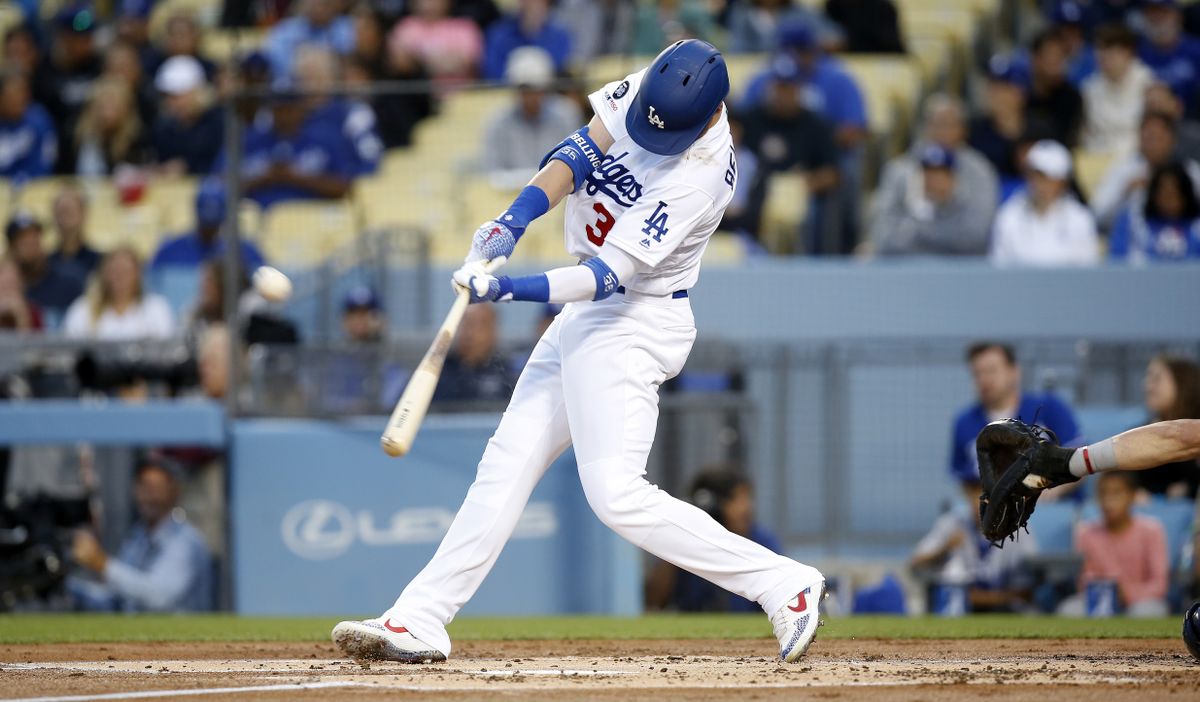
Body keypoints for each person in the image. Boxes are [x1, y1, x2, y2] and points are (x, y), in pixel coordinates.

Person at [332, 40, 825, 665]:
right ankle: (421, 617)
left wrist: (504, 288)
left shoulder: (701, 175)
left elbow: (605, 277)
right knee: (506, 462)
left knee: (615, 494)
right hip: (589, 318)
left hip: (633, 320)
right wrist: (513, 220)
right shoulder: (655, 85)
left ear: (710, 112)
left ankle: (785, 585)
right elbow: (578, 150)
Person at [68, 457, 213, 612]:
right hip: (138, 632)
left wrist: (102, 564)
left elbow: (159, 597)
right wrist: (69, 588)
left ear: (173, 492)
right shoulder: (138, 536)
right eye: (142, 487)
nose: (147, 496)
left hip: (182, 633)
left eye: (155, 488)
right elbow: (119, 600)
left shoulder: (185, 541)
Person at [645, 467, 784, 612]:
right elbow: (654, 601)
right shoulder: (685, 541)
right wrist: (676, 540)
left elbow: (780, 598)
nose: (747, 508)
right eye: (738, 499)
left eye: (748, 498)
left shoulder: (761, 540)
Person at [736, 57, 839, 252]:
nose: (783, 94)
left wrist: (805, 184)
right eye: (779, 87)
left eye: (789, 87)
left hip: (797, 188)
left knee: (806, 210)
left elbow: (832, 173)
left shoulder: (815, 124)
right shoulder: (752, 118)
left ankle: (809, 260)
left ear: (799, 89)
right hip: (754, 188)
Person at [950, 341, 1083, 489]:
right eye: (977, 374)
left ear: (1014, 371)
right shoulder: (964, 423)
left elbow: (1079, 459)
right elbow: (965, 479)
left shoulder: (1049, 408)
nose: (984, 379)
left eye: (991, 371)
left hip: (1056, 505)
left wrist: (1045, 495)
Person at [878, 94, 1000, 250]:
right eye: (936, 124)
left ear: (963, 130)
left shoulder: (980, 171)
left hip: (962, 268)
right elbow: (883, 235)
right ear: (924, 127)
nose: (942, 132)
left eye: (949, 125)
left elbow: (977, 236)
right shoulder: (899, 170)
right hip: (909, 267)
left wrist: (915, 231)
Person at [910, 477, 1038, 613]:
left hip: (1007, 610)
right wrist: (944, 549)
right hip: (960, 609)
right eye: (977, 500)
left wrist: (982, 598)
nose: (982, 508)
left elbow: (1026, 591)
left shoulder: (1019, 531)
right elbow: (916, 563)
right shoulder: (952, 525)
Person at [1057, 472, 1169, 618]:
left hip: (1140, 602)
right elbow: (1083, 580)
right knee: (1069, 611)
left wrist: (1127, 593)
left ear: (1132, 496)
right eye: (1103, 493)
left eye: (1116, 493)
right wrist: (1107, 592)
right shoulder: (1085, 533)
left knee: (1148, 612)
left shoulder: (1152, 530)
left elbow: (1159, 584)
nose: (1108, 500)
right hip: (1099, 601)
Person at [227, 81, 356, 209]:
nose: (284, 116)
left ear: (301, 109)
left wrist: (295, 177)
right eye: (278, 110)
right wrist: (266, 177)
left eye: (289, 109)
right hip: (260, 219)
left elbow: (344, 188)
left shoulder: (325, 138)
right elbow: (223, 185)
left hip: (312, 218)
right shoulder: (250, 140)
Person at [990, 139, 1100, 266]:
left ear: (1062, 183)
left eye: (1049, 178)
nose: (1041, 184)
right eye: (1037, 176)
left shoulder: (1080, 219)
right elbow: (998, 269)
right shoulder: (1008, 216)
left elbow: (1088, 272)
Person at [869, 144, 992, 256]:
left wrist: (916, 233)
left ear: (952, 178)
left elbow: (973, 242)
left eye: (941, 174)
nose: (934, 181)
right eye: (929, 174)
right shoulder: (910, 203)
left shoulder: (964, 203)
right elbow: (885, 241)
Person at [481, 47, 582, 183]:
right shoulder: (497, 123)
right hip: (510, 198)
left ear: (545, 88)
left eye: (535, 89)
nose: (530, 96)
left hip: (559, 193)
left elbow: (577, 165)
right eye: (524, 90)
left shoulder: (566, 115)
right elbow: (492, 173)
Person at [1091, 111, 1200, 229]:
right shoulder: (1123, 170)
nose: (1152, 144)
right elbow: (1097, 216)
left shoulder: (1190, 171)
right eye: (1147, 138)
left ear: (1172, 139)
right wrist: (1125, 192)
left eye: (1157, 138)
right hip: (1133, 239)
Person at [294, 44, 383, 177]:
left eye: (317, 76)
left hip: (341, 191)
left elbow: (370, 162)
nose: (311, 84)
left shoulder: (355, 114)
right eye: (305, 77)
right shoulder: (286, 117)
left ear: (332, 78)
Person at [151, 179, 266, 272]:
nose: (210, 231)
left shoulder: (244, 251)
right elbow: (153, 282)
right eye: (206, 225)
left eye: (214, 225)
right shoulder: (171, 251)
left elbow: (260, 280)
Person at [62, 247, 175, 341]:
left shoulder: (156, 308)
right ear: (104, 274)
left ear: (138, 275)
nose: (120, 278)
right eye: (114, 271)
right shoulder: (82, 310)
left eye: (126, 271)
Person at [41, 5, 104, 174]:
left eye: (89, 37)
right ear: (64, 37)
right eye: (80, 38)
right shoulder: (45, 68)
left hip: (91, 144)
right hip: (55, 145)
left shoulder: (99, 65)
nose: (87, 42)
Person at [1081, 24, 1155, 155]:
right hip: (1097, 159)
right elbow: (1086, 133)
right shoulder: (1089, 88)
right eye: (1100, 49)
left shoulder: (1148, 83)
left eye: (1111, 50)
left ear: (1128, 53)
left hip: (1136, 158)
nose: (1104, 56)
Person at [1135, 355, 1200, 498]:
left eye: (1156, 379)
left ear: (1182, 382)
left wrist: (1189, 489)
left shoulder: (1197, 431)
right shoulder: (1139, 434)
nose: (1147, 385)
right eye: (1148, 377)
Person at [1110, 161, 1200, 261]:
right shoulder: (1132, 222)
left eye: (1174, 194)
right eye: (1164, 194)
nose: (1169, 200)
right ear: (1154, 195)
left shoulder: (1196, 227)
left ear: (1186, 195)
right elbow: (1116, 263)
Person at [970, 56, 1032, 199]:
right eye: (991, 85)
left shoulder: (1040, 131)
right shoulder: (975, 132)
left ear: (1021, 92)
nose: (993, 93)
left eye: (1002, 87)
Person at [151, 56, 224, 175]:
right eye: (167, 97)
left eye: (177, 97)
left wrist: (188, 168)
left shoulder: (219, 123)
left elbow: (223, 167)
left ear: (197, 93)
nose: (171, 103)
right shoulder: (164, 128)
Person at [5, 211, 82, 324]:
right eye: (22, 240)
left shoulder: (66, 283)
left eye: (34, 237)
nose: (30, 243)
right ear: (12, 247)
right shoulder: (6, 286)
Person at [69, 78, 154, 177]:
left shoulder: (138, 138)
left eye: (113, 106)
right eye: (102, 106)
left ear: (125, 108)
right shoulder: (78, 136)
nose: (107, 114)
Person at [432, 304, 515, 404]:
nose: (470, 333)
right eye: (465, 324)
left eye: (479, 325)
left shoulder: (507, 374)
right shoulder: (437, 372)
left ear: (494, 332)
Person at [388, 0, 484, 87]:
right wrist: (438, 60)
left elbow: (464, 65)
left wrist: (416, 59)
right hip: (414, 98)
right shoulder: (405, 26)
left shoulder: (465, 28)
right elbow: (399, 64)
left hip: (460, 97)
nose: (428, 3)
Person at [483, 0, 573, 81]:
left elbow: (561, 74)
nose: (532, 3)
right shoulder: (499, 34)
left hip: (548, 95)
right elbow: (492, 74)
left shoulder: (561, 36)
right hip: (506, 94)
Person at [264, 0, 356, 78]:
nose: (319, 5)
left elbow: (350, 65)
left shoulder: (344, 27)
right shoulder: (285, 30)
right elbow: (277, 65)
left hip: (335, 91)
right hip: (293, 92)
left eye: (326, 3)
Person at [1026, 29, 1084, 148]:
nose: (1056, 63)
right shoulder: (1021, 96)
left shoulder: (1072, 98)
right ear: (1035, 59)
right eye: (1051, 55)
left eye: (1061, 56)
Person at [1138, 0, 1200, 106]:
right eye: (1152, 13)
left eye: (1163, 13)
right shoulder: (1136, 52)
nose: (1157, 18)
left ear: (1177, 16)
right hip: (1149, 117)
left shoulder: (1195, 49)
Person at [0, 68, 57, 183]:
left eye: (22, 93)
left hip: (34, 188)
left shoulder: (40, 120)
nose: (19, 99)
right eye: (12, 95)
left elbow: (46, 161)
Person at [47, 184, 102, 288]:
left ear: (84, 214)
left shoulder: (100, 262)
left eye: (70, 212)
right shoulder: (43, 264)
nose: (66, 218)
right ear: (54, 216)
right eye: (62, 212)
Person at [630, 0, 718, 57]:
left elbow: (707, 47)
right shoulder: (645, 17)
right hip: (652, 65)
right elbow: (640, 52)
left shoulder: (696, 15)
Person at [823, 0, 905, 54]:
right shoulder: (833, 6)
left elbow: (892, 45)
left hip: (878, 61)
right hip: (842, 63)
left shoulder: (884, 7)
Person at [0, 256, 42, 331]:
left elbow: (33, 340)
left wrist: (22, 316)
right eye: (4, 283)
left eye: (12, 282)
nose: (8, 287)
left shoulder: (33, 312)